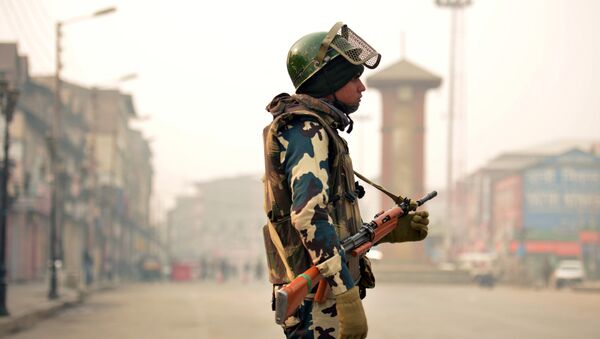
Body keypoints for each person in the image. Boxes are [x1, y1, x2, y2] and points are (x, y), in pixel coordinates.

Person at [261, 22, 431, 339]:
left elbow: (334, 225)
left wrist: (388, 232)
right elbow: (309, 216)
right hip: (318, 301)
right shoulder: (307, 130)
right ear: (330, 81)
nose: (361, 87)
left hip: (322, 297)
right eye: (353, 77)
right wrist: (345, 293)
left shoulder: (321, 130)